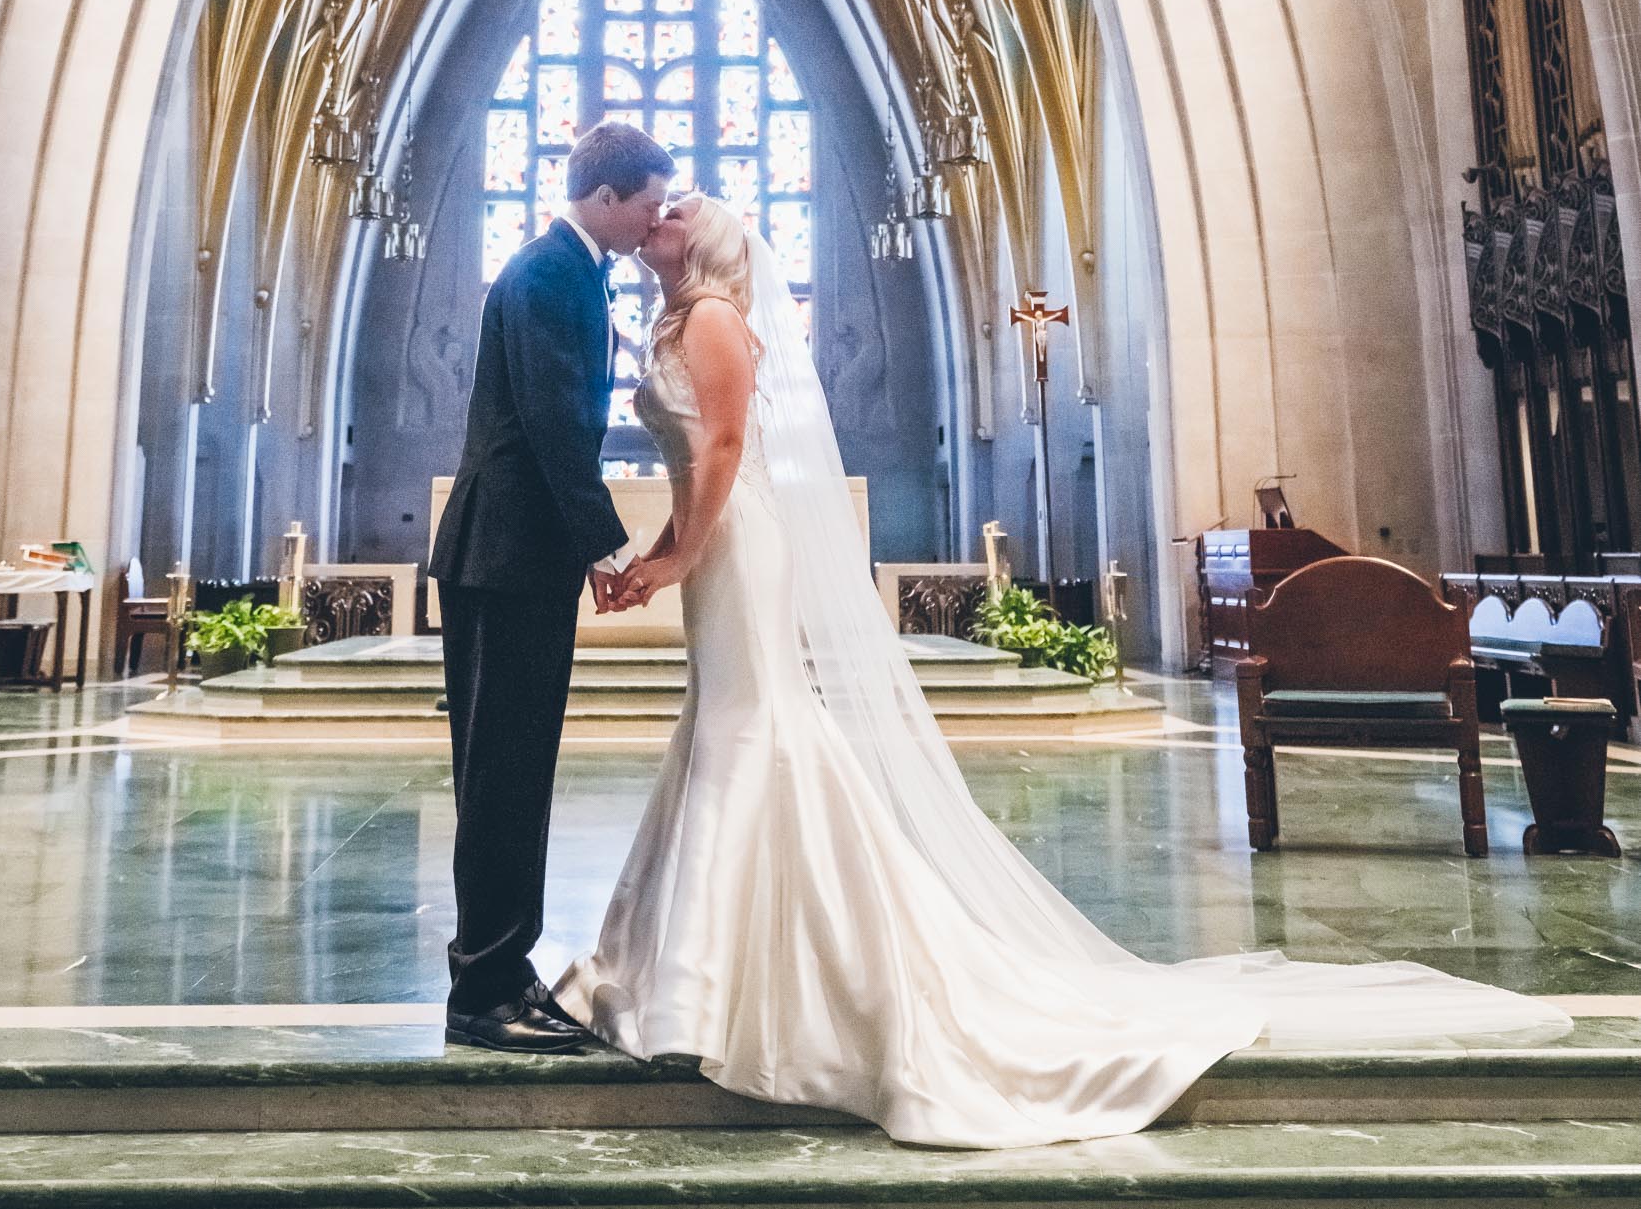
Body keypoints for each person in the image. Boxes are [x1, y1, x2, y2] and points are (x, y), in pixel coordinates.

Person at [559, 193, 1570, 1148]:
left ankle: (729, 980)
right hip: (716, 548)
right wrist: (663, 552)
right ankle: (710, 971)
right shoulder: (680, 316)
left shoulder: (716, 323)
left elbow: (727, 444)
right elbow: (702, 457)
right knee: (733, 724)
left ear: (708, 243)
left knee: (754, 728)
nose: (663, 210)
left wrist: (671, 555)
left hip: (734, 548)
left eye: (679, 206)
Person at [430, 119, 673, 1051]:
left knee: (516, 772)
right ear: (606, 196)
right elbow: (547, 427)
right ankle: (481, 990)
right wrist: (610, 550)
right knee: (499, 775)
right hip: (504, 553)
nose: (658, 218)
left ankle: (503, 965)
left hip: (520, 553)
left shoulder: (574, 271)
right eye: (649, 201)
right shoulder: (545, 275)